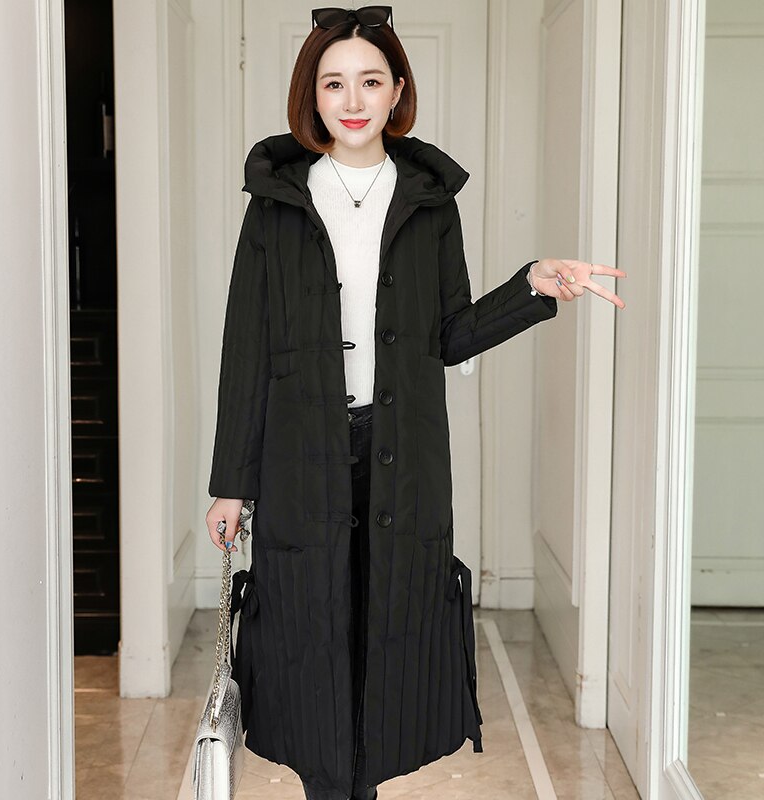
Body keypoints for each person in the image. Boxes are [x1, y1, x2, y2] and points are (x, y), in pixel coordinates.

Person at [205, 7, 626, 800]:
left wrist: (531, 286)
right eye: (334, 83)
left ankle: (360, 787)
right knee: (309, 641)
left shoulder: (430, 202)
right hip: (302, 458)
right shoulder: (275, 204)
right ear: (312, 95)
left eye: (370, 81)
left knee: (389, 642)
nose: (352, 100)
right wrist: (232, 481)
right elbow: (245, 348)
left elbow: (451, 334)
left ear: (397, 90)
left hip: (402, 455)